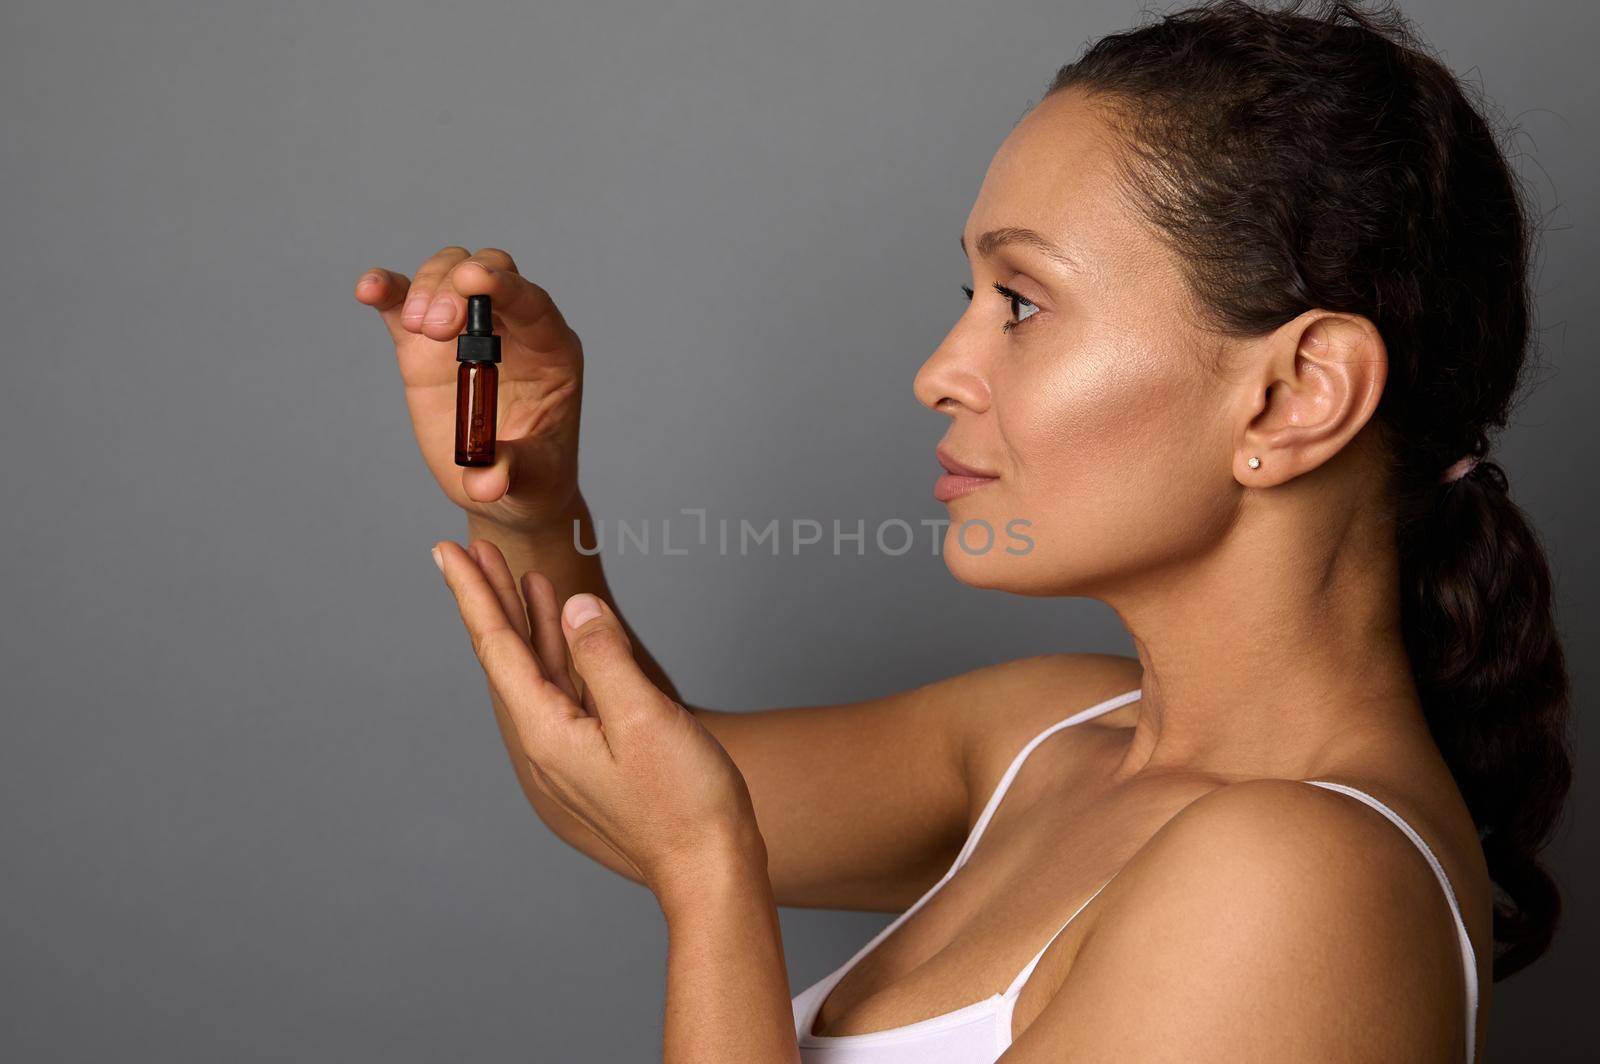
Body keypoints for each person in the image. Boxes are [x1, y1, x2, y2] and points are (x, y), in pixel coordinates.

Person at [352, 1, 1572, 1059]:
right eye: (970, 296)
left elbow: (686, 828)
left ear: (1296, 393)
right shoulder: (1052, 735)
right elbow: (610, 787)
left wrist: (710, 882)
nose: (940, 370)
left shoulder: (1299, 881)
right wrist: (527, 503)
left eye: (1024, 301)